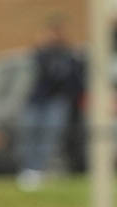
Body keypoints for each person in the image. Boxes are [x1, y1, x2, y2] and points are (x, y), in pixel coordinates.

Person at [17, 14, 84, 191]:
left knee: (49, 137)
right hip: (36, 101)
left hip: (57, 102)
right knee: (30, 135)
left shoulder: (68, 55)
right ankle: (29, 171)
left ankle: (40, 170)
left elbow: (73, 78)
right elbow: (37, 75)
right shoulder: (39, 54)